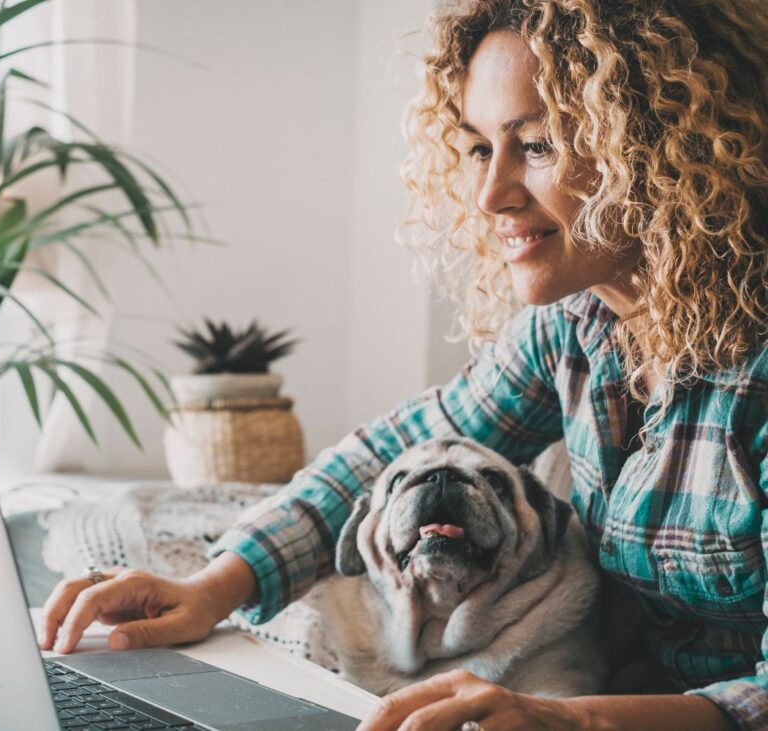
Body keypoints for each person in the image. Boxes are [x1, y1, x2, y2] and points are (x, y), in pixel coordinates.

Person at [38, 0, 768, 728]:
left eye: (538, 145)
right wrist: (211, 587)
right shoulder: (572, 330)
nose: (491, 194)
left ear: (670, 148)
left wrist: (574, 721)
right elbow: (381, 459)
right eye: (481, 147)